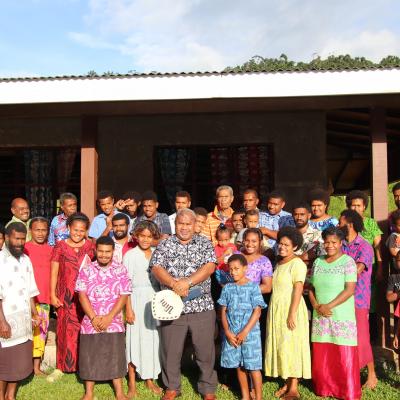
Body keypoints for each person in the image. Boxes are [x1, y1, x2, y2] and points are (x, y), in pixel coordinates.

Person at [150, 208, 218, 400]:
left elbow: (209, 266)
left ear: (195, 225)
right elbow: (156, 267)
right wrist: (173, 284)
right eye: (181, 223)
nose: (185, 228)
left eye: (189, 224)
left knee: (205, 350)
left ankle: (208, 388)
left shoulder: (204, 243)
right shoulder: (165, 244)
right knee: (170, 350)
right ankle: (172, 387)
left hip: (201, 305)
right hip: (171, 306)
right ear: (175, 224)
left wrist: (186, 282)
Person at [76, 236, 132, 400]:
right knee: (89, 355)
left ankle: (120, 392)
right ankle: (89, 393)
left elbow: (124, 295)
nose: (104, 255)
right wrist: (93, 318)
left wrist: (109, 317)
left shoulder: (120, 269)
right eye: (100, 251)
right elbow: (82, 296)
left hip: (113, 321)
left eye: (107, 252)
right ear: (95, 251)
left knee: (115, 355)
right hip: (90, 321)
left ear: (113, 252)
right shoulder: (86, 270)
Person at [309, 226, 361, 400]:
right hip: (320, 314)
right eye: (327, 242)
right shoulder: (317, 262)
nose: (330, 245)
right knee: (323, 352)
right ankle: (324, 388)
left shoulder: (348, 262)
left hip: (341, 315)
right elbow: (311, 288)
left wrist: (328, 306)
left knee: (343, 353)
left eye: (334, 242)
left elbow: (350, 290)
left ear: (341, 243)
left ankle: (347, 391)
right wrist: (317, 306)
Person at [265, 227, 311, 399]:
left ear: (295, 247)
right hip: (277, 309)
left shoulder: (297, 263)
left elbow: (298, 288)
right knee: (282, 345)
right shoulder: (279, 263)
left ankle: (294, 388)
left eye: (286, 245)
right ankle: (287, 382)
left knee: (292, 346)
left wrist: (292, 313)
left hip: (291, 309)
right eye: (280, 243)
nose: (282, 247)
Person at [0, 222, 41, 400]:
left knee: (17, 362)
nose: (19, 242)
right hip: (6, 319)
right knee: (4, 363)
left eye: (23, 239)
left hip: (23, 320)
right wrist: (2, 322)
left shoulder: (26, 259)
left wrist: (34, 313)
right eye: (16, 238)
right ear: (7, 238)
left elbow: (30, 290)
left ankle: (11, 395)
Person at [50, 212, 95, 373]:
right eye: (75, 229)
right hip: (65, 296)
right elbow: (54, 271)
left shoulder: (90, 246)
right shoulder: (60, 246)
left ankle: (83, 365)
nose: (78, 233)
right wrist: (52, 294)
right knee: (64, 330)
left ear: (86, 231)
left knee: (83, 329)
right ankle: (62, 366)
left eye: (82, 231)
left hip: (85, 296)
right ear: (68, 227)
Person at [218, 254, 266, 400]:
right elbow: (223, 311)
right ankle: (245, 396)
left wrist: (245, 331)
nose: (233, 272)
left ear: (245, 268)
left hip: (250, 333)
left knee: (253, 366)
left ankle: (258, 397)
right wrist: (227, 331)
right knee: (239, 365)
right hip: (232, 333)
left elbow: (257, 311)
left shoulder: (253, 287)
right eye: (230, 269)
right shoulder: (227, 288)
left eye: (237, 269)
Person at [124, 221, 162, 397]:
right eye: (142, 236)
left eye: (149, 236)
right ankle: (132, 383)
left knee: (153, 340)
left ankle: (149, 379)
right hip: (136, 301)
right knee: (134, 339)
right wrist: (129, 310)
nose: (145, 240)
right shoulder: (131, 255)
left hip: (154, 301)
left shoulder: (157, 254)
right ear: (136, 236)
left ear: (154, 237)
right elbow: (125, 286)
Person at [340, 209, 377, 389]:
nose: (338, 226)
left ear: (350, 224)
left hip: (358, 299)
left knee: (361, 337)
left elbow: (357, 269)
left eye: (341, 223)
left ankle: (372, 375)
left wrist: (334, 271)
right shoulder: (339, 245)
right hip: (340, 298)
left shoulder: (364, 246)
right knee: (345, 337)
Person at [24, 217, 53, 375]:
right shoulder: (24, 248)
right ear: (30, 231)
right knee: (23, 332)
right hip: (25, 299)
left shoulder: (51, 250)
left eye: (44, 230)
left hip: (44, 298)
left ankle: (36, 367)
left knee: (40, 333)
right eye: (37, 230)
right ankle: (23, 365)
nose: (41, 233)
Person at [239, 228, 273, 294]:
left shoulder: (264, 261)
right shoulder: (236, 255)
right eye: (247, 240)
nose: (249, 244)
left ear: (261, 242)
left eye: (254, 241)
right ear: (243, 241)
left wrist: (244, 289)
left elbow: (267, 287)